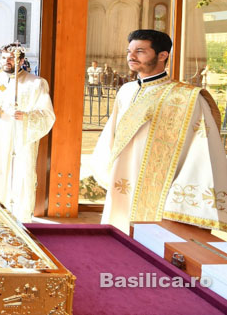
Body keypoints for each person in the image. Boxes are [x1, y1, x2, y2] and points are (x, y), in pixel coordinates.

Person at [91, 29, 227, 234]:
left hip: (161, 188)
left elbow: (202, 149)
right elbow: (111, 136)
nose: (131, 56)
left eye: (140, 51)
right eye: (129, 51)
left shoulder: (187, 98)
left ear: (162, 55)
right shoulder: (126, 91)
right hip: (123, 179)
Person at [0, 43, 55, 222]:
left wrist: (26, 116)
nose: (7, 61)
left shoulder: (36, 83)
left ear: (21, 60)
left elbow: (47, 114)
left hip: (22, 142)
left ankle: (21, 223)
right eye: (4, 57)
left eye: (11, 58)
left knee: (21, 179)